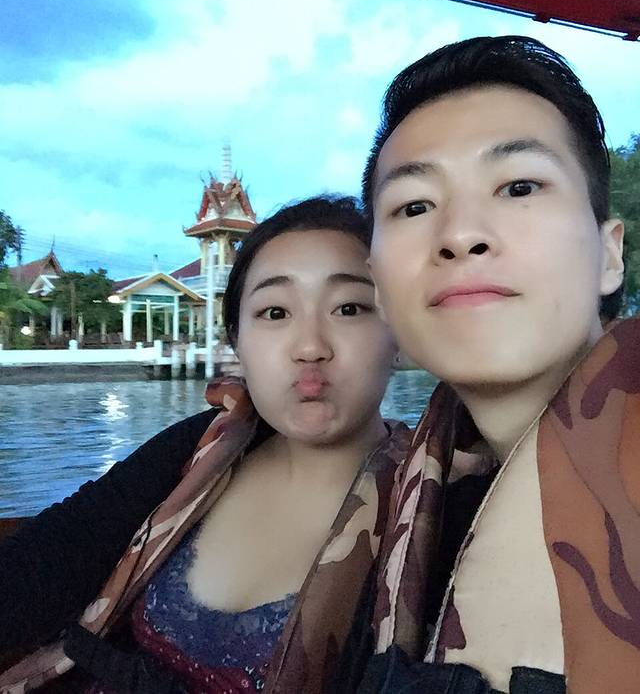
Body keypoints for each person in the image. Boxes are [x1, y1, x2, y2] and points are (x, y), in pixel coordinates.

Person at [0, 196, 411, 694]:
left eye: (349, 308)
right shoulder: (206, 447)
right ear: (237, 341)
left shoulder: (431, 509)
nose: (310, 347)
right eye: (275, 312)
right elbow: (48, 559)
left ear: (399, 333)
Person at [356, 36, 635, 694]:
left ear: (609, 255)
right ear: (377, 287)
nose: (460, 234)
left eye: (518, 186)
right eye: (414, 206)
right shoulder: (402, 513)